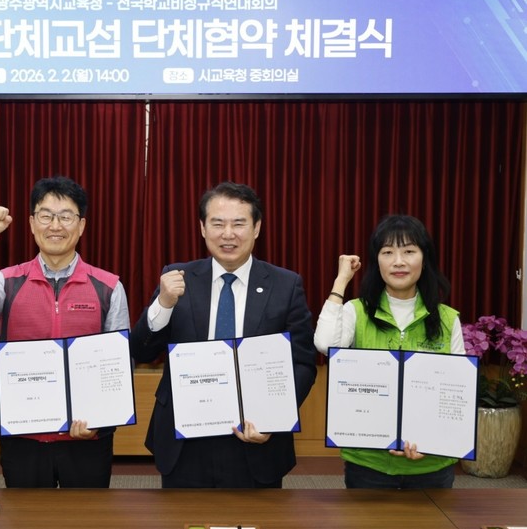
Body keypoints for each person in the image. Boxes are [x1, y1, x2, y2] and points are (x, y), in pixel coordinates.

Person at [130, 181, 317, 488]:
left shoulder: (285, 285)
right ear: (203, 228)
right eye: (218, 224)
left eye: (239, 224)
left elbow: (303, 363)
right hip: (184, 438)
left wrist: (274, 417)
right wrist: (163, 304)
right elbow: (142, 351)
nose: (228, 234)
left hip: (255, 437)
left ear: (257, 228)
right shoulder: (177, 278)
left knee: (257, 518)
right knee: (182, 518)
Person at [0, 175, 130, 488]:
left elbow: (118, 364)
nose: (55, 226)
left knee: (89, 515)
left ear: (81, 225)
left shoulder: (109, 286)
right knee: (24, 517)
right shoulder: (7, 281)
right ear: (32, 223)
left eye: (66, 217)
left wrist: (101, 419)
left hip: (87, 436)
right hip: (24, 434)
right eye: (46, 216)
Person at [314, 214, 465, 489]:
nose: (398, 261)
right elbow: (325, 343)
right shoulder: (356, 311)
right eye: (387, 252)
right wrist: (341, 279)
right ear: (377, 261)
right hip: (369, 463)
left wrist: (432, 442)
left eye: (409, 251)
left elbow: (457, 393)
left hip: (432, 463)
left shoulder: (447, 319)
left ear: (424, 259)